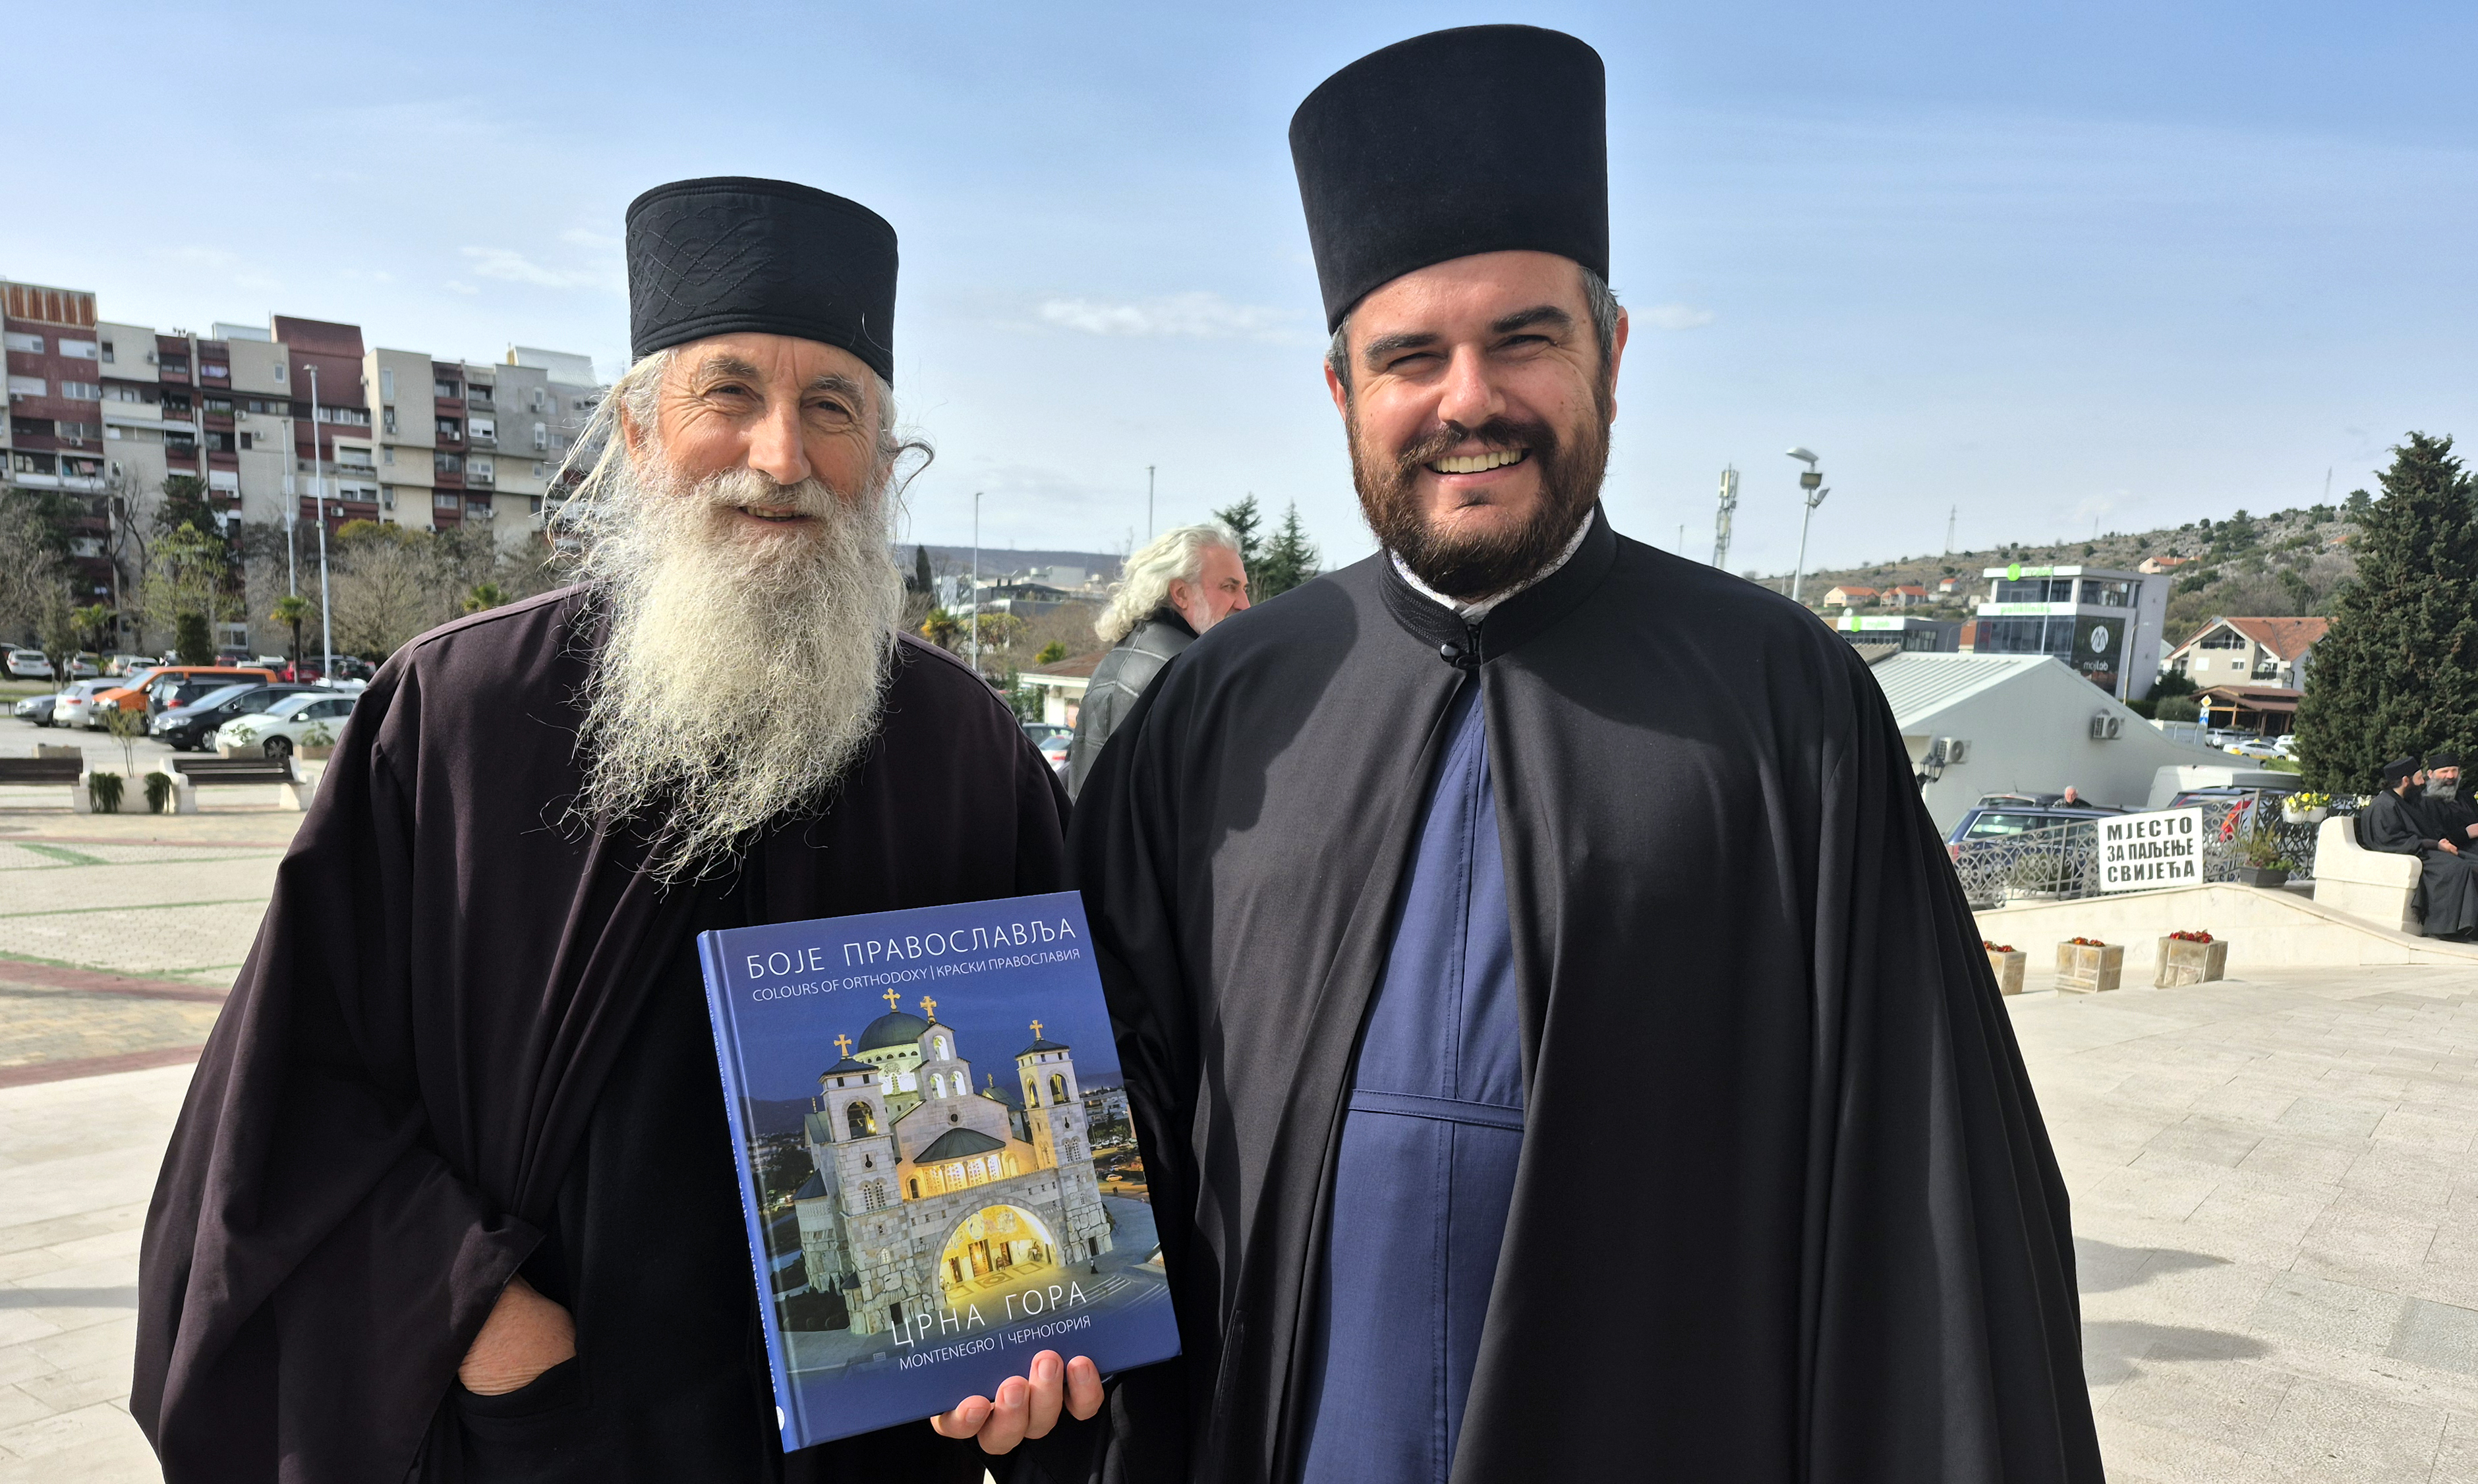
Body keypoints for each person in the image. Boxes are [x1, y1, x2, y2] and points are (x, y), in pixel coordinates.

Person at [1045, 26, 2100, 1484]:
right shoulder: (1226, 703)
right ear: (1343, 391)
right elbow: (1112, 1099)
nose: (1466, 399)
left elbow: (1917, 1193)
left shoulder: (1783, 701)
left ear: (1606, 355)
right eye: (1409, 356)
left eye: (1522, 338)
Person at [136, 177, 1097, 1483]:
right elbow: (291, 1109)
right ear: (637, 434)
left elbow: (1085, 1087)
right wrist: (479, 1315)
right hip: (560, 1439)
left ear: (882, 461)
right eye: (728, 395)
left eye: (832, 409)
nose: (780, 455)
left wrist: (1030, 1340)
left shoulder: (963, 748)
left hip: (880, 1452)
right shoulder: (460, 715)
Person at [1064, 523, 1250, 798]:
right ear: (1181, 593)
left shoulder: (1114, 663)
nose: (1245, 603)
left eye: (1244, 588)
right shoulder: (1191, 674)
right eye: (1229, 587)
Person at [2365, 756, 2478, 939]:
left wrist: (2440, 843)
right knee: (2457, 868)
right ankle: (2446, 928)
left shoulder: (2406, 802)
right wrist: (2436, 845)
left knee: (2472, 862)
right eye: (2419, 778)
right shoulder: (2384, 806)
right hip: (2410, 855)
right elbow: (2391, 842)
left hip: (2423, 850)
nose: (2423, 783)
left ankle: (2472, 927)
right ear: (2406, 781)